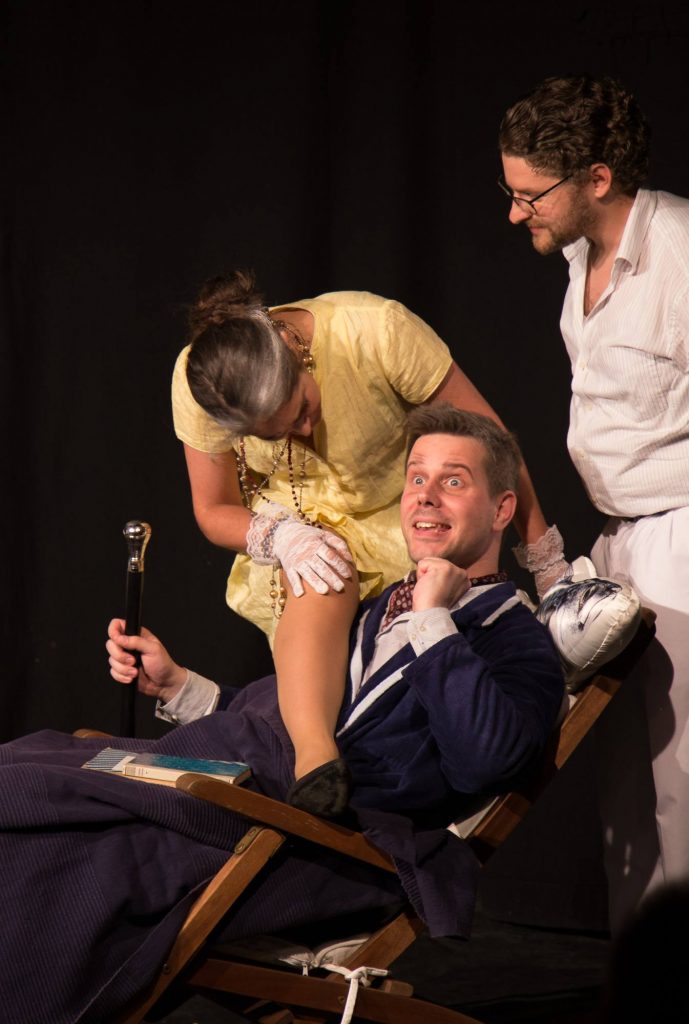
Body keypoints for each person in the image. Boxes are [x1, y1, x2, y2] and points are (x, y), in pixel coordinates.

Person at [1, 407, 564, 1023]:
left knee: (51, 836)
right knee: (24, 763)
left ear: (502, 510)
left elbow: (487, 759)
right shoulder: (380, 606)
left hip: (299, 836)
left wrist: (432, 617)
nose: (426, 496)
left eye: (453, 481)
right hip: (233, 783)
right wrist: (179, 685)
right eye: (416, 478)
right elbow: (296, 714)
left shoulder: (515, 640)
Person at [172, 272, 565, 815]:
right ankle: (315, 766)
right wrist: (279, 535)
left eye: (302, 409)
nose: (301, 432)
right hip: (301, 553)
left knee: (404, 709)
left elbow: (493, 447)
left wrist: (546, 563)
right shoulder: (205, 380)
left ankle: (376, 803)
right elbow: (213, 508)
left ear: (295, 352)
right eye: (272, 435)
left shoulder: (374, 331)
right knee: (323, 587)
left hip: (405, 534)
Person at [498, 74, 689, 930]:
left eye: (529, 195)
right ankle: (637, 978)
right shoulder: (579, 255)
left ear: (597, 179)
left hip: (679, 534)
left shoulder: (677, 253)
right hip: (617, 539)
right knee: (621, 785)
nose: (515, 214)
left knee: (682, 785)